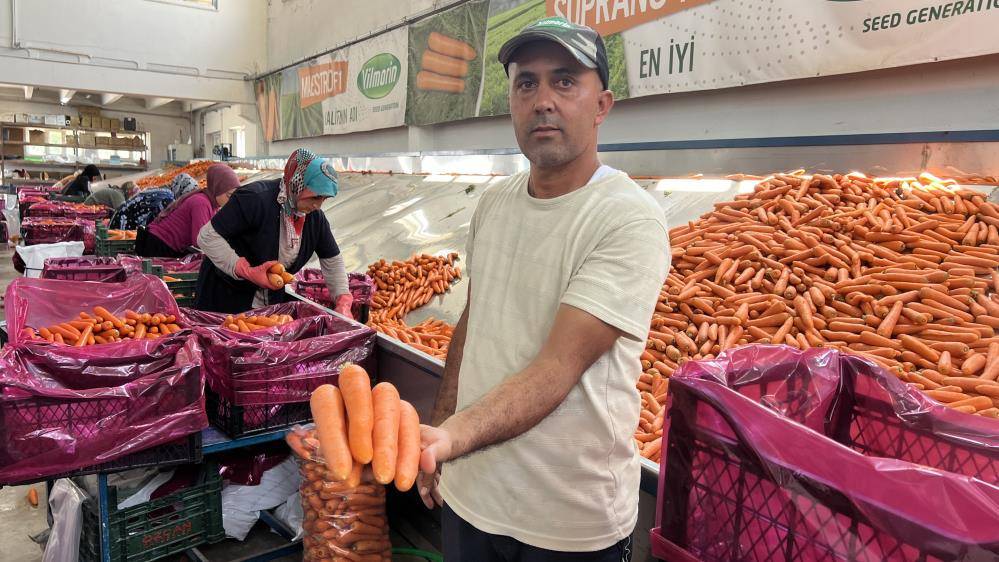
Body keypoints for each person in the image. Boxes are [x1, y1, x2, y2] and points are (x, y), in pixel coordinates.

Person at [416, 17, 670, 561]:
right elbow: (474, 320)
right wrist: (441, 425)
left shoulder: (627, 219)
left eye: (563, 81)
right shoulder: (493, 204)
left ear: (601, 106)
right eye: (525, 83)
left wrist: (452, 438)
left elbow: (556, 369)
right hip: (472, 498)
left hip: (568, 522)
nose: (542, 100)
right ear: (511, 102)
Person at [194, 149, 352, 317]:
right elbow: (206, 237)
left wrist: (343, 298)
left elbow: (332, 260)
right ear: (297, 183)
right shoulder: (255, 199)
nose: (318, 205)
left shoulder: (315, 219)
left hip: (267, 305)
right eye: (315, 197)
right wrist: (246, 270)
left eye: (324, 199)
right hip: (223, 299)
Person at [137, 165, 240, 258]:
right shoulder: (201, 203)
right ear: (217, 189)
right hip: (157, 245)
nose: (231, 200)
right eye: (229, 195)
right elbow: (200, 241)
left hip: (162, 243)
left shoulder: (213, 205)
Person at [109, 173, 198, 230]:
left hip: (120, 221)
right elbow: (156, 224)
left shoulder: (165, 192)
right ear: (182, 189)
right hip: (122, 227)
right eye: (187, 194)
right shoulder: (167, 199)